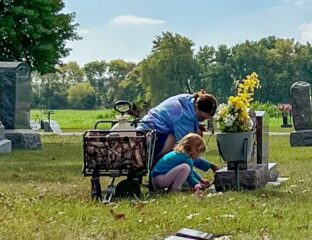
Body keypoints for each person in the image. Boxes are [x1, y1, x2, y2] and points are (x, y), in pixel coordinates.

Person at [139, 90, 219, 173]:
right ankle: (159, 170)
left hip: (147, 130)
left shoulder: (189, 100)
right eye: (201, 118)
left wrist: (196, 126)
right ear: (196, 106)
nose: (201, 121)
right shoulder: (184, 116)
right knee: (175, 143)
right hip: (148, 138)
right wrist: (210, 166)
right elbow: (186, 150)